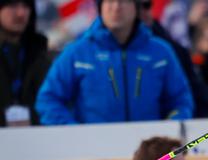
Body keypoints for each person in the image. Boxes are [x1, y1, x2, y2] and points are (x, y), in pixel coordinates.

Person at [35, 0, 194, 124]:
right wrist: (73, 132)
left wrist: (170, 128)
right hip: (94, 153)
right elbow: (48, 100)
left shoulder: (160, 52)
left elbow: (181, 100)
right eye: (109, 1)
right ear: (100, 7)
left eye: (123, 1)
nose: (116, 7)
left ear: (135, 7)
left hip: (149, 155)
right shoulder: (77, 52)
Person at [0, 0, 50, 126]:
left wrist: (33, 120)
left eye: (26, 6)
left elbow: (53, 102)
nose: (21, 13)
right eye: (12, 5)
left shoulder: (41, 55)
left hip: (35, 138)